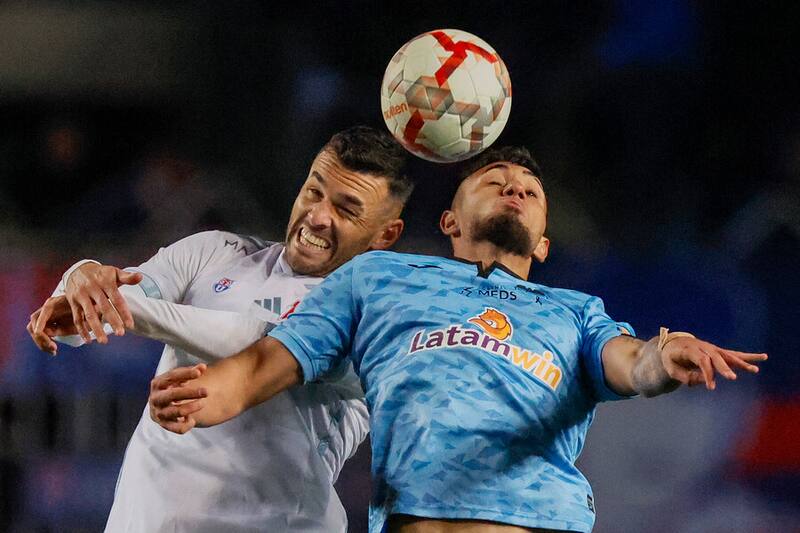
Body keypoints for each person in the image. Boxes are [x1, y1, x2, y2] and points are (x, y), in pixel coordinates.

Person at [149, 145, 767, 533]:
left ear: (545, 243)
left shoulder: (575, 312)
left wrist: (665, 356)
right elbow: (272, 360)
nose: (516, 188)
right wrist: (213, 393)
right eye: (496, 179)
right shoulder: (379, 278)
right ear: (449, 222)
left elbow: (630, 363)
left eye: (530, 190)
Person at [26, 125, 414, 533]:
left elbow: (263, 346)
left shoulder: (375, 317)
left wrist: (139, 313)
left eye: (346, 209)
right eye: (314, 192)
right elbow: (88, 317)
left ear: (385, 235)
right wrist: (80, 278)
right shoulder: (214, 252)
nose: (317, 217)